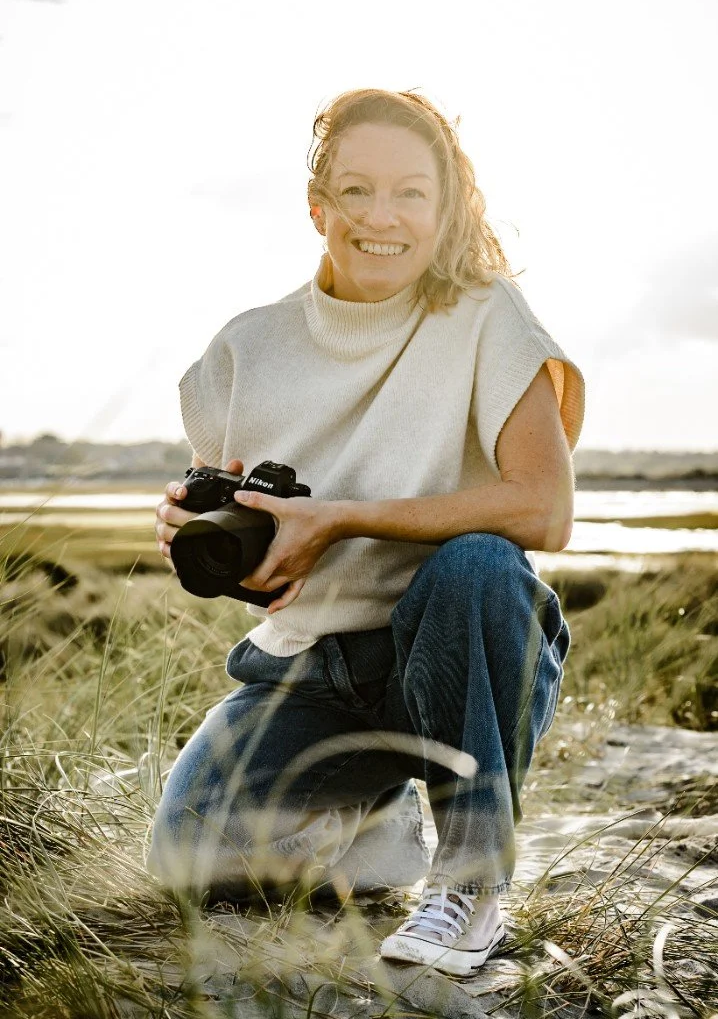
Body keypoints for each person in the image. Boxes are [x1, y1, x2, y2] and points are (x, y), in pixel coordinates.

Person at [148, 88, 584, 977]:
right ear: (319, 207)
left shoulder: (485, 316)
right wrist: (192, 533)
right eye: (356, 192)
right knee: (189, 855)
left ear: (446, 207)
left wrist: (341, 517)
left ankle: (470, 883)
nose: (381, 218)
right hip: (310, 668)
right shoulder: (246, 350)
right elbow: (256, 543)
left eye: (411, 193)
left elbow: (544, 509)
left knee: (478, 566)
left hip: (456, 641)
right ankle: (382, 817)